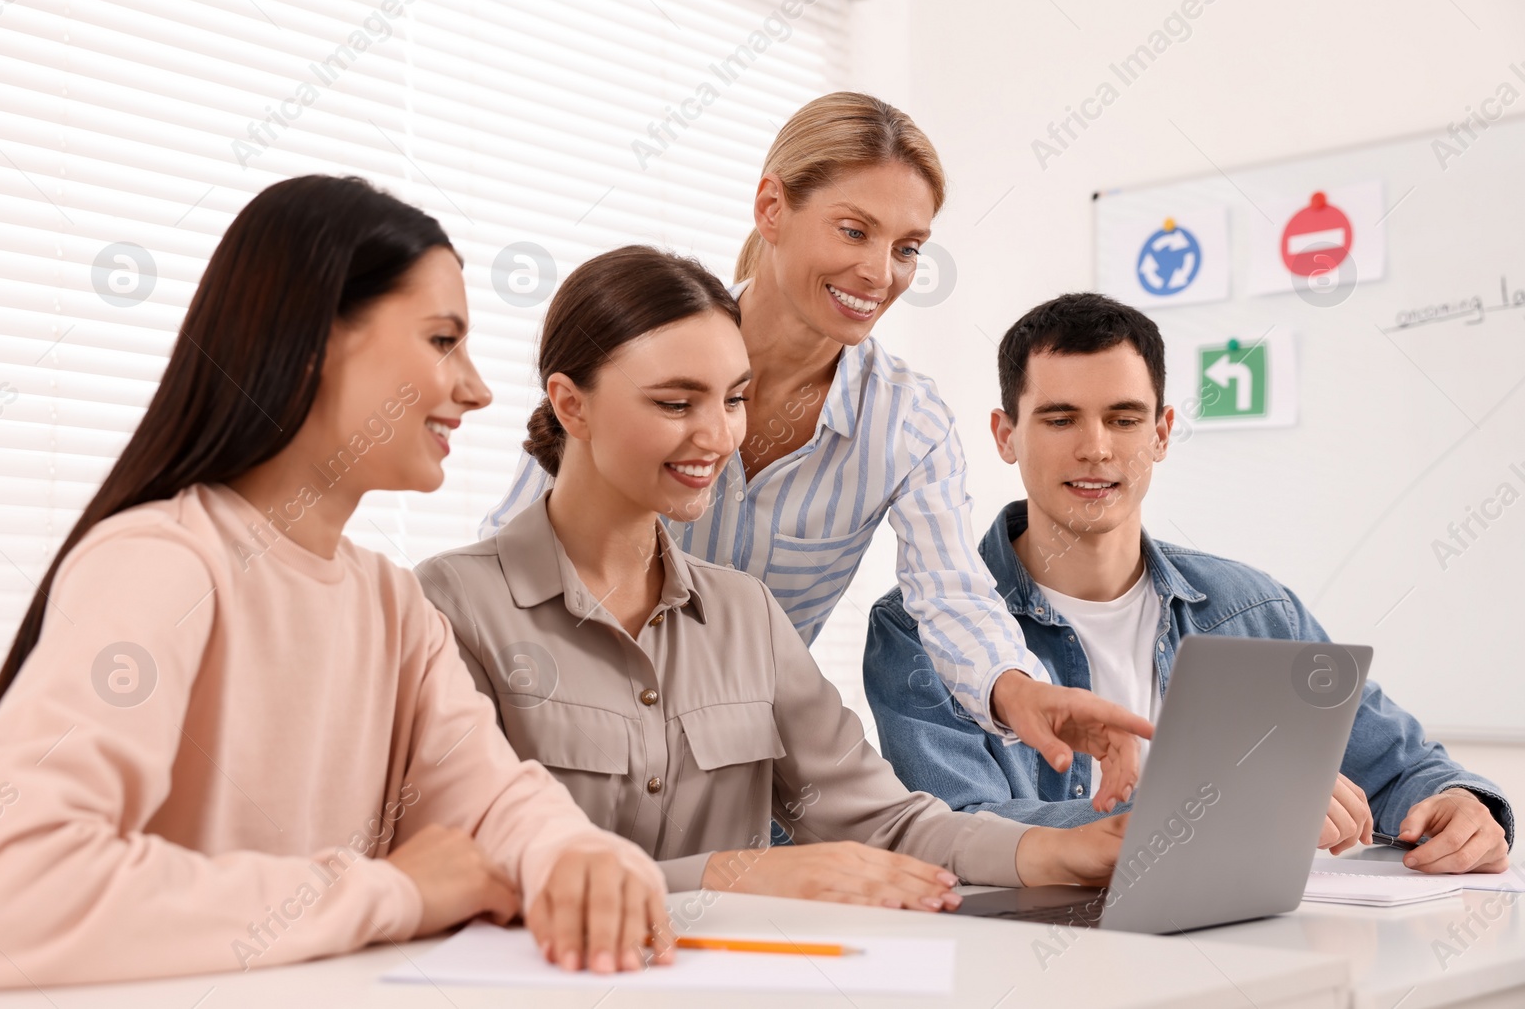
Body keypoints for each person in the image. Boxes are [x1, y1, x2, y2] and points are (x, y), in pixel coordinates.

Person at [0, 176, 673, 991]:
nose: (478, 388)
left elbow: (494, 807)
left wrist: (580, 855)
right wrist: (390, 891)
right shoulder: (162, 562)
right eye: (441, 340)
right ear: (315, 337)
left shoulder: (392, 606)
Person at [480, 92, 1150, 810]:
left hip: (729, 776)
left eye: (907, 248)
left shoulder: (905, 421)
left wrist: (1019, 690)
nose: (879, 272)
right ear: (772, 208)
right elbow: (508, 560)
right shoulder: (639, 350)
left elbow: (950, 591)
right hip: (566, 750)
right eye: (854, 230)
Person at [418, 246, 1128, 913]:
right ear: (571, 403)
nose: (719, 436)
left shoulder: (744, 613)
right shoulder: (448, 607)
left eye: (733, 399)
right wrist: (731, 876)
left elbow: (884, 822)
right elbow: (469, 871)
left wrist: (1058, 851)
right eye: (676, 403)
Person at [864, 293, 1514, 874]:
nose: (1096, 448)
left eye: (1123, 419)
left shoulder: (1256, 611)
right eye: (1060, 419)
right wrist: (1223, 814)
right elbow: (960, 831)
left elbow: (1401, 766)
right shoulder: (917, 630)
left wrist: (1457, 804)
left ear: (1163, 432)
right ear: (1006, 436)